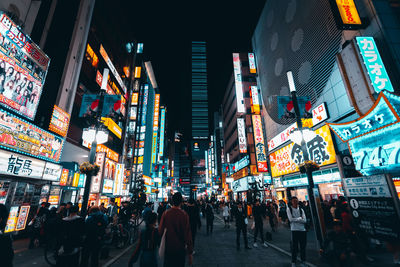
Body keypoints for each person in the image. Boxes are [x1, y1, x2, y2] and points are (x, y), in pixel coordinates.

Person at [159, 192, 193, 267]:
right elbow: (188, 234)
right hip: (180, 249)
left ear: (172, 201)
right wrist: (190, 253)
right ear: (181, 202)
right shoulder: (184, 215)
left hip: (168, 249)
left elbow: (160, 230)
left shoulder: (166, 213)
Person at [287, 196, 307, 267]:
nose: (295, 202)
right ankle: (293, 262)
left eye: (296, 201)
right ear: (291, 202)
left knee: (303, 247)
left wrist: (296, 219)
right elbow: (290, 219)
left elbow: (305, 220)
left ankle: (303, 262)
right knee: (294, 247)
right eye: (293, 201)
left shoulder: (301, 209)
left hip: (302, 230)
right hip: (294, 230)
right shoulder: (289, 209)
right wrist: (299, 218)